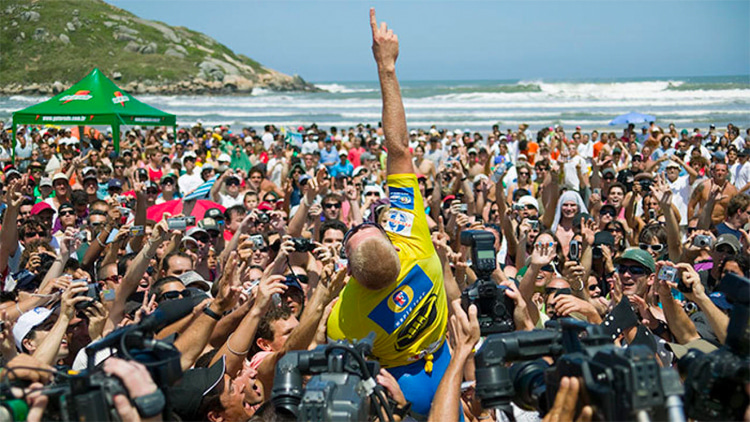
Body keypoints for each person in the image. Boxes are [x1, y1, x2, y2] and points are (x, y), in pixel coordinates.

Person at [327, 10, 448, 416]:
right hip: (444, 363)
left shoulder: (347, 316)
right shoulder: (414, 240)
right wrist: (387, 67)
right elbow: (399, 150)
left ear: (349, 275)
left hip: (400, 384)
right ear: (393, 245)